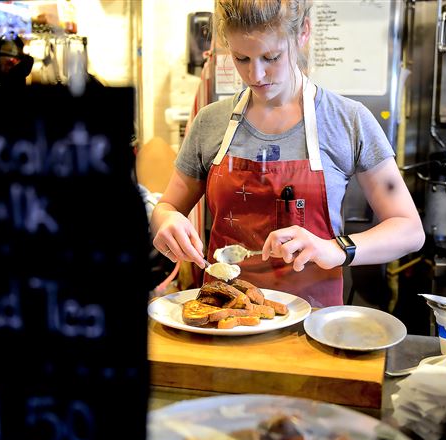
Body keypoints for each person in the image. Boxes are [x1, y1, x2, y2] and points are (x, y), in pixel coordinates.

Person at [151, 0, 425, 308]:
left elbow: (409, 229)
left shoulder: (348, 121)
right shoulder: (210, 122)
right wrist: (166, 221)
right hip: (223, 319)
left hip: (311, 326)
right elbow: (167, 206)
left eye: (271, 57)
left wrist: (334, 249)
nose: (255, 74)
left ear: (303, 33)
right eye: (241, 58)